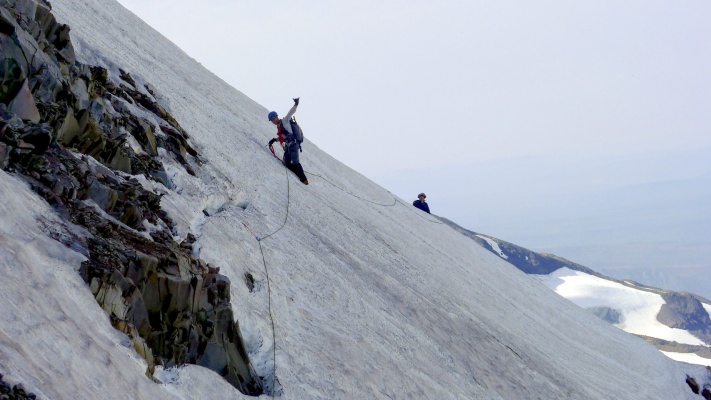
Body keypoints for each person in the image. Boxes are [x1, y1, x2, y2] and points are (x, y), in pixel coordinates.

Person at [268, 98, 308, 185]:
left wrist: (296, 104)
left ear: (277, 116)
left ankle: (304, 179)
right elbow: (283, 137)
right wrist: (275, 140)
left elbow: (291, 112)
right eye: (272, 120)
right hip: (288, 146)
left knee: (295, 162)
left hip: (293, 145)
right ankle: (297, 173)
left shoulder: (285, 121)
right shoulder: (279, 127)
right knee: (286, 162)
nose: (273, 120)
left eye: (274, 118)